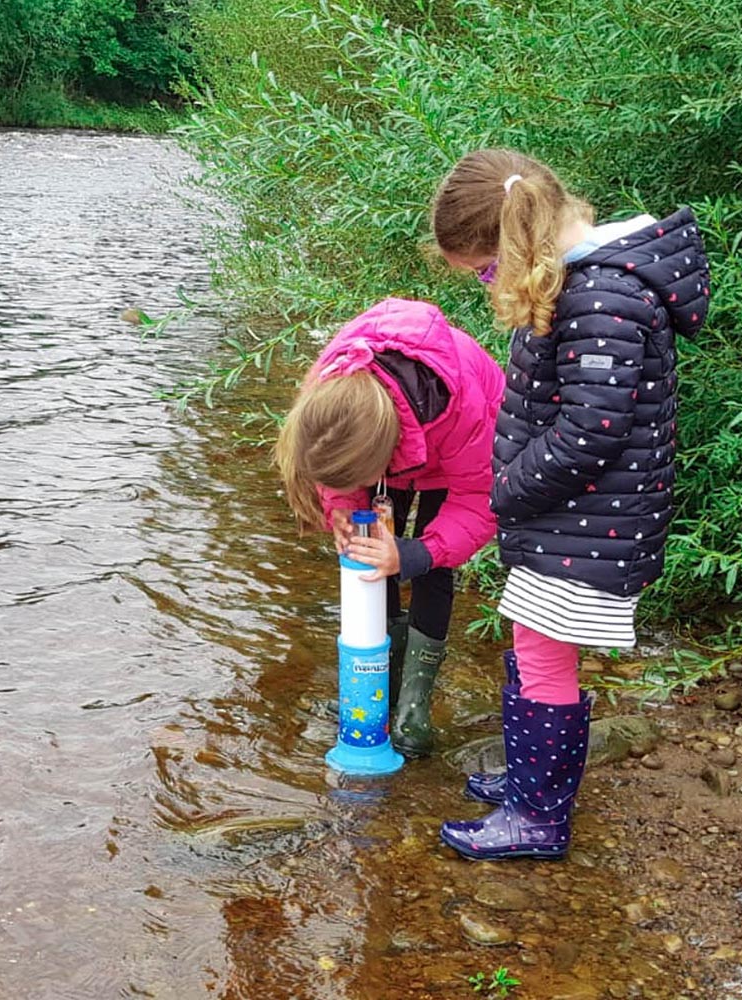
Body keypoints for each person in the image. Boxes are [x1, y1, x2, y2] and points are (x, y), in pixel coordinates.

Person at [430, 148, 709, 860]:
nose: (489, 284)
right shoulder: (586, 283)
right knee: (532, 649)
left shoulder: (600, 297)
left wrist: (507, 491)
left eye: (487, 270)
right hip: (574, 518)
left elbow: (592, 431)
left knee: (543, 656)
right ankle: (530, 781)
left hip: (590, 523)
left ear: (518, 242)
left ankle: (538, 817)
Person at [274, 296, 505, 757]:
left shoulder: (461, 406)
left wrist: (416, 554)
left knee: (431, 566)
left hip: (459, 451)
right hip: (382, 445)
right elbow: (327, 458)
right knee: (370, 555)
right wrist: (341, 505)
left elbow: (479, 501)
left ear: (384, 457)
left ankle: (413, 702)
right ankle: (383, 677)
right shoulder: (333, 385)